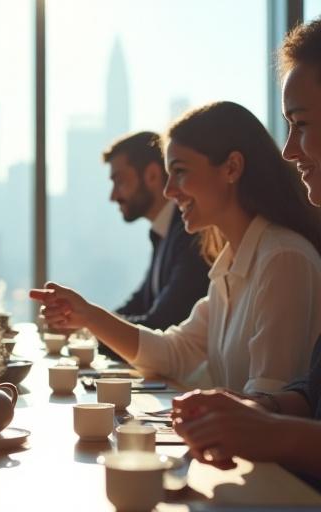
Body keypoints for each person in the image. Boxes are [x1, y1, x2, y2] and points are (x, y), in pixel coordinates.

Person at [32, 100, 321, 394]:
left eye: (180, 172)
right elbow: (173, 352)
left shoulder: (283, 259)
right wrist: (89, 316)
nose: (169, 191)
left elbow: (268, 403)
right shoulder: (230, 264)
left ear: (231, 167)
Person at [172, 17, 321, 482]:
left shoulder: (284, 257)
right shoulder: (230, 261)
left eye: (300, 125)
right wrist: (252, 410)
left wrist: (266, 429)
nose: (289, 151)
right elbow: (313, 394)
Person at [104, 131, 209, 330]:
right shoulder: (163, 232)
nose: (113, 195)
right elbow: (139, 302)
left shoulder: (190, 233)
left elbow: (160, 324)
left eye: (120, 181)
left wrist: (90, 328)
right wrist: (84, 327)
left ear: (152, 175)